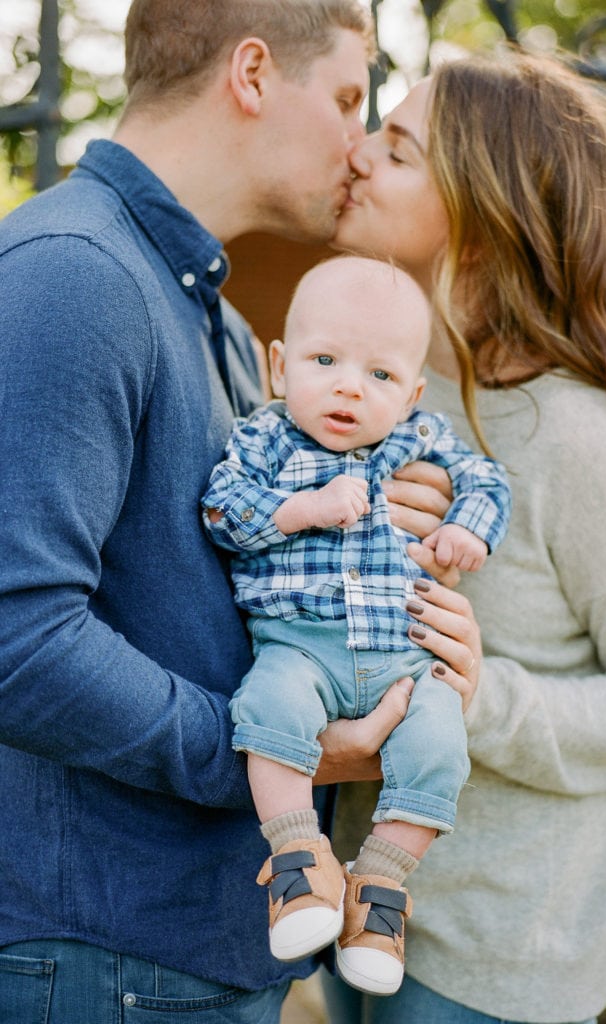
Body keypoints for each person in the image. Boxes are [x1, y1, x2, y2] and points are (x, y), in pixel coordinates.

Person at [0, 3, 422, 1021]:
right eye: (346, 100)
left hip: (188, 951)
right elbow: (18, 638)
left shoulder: (214, 315)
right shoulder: (74, 276)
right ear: (249, 73)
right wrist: (268, 752)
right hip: (103, 954)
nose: (359, 148)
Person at [321, 50, 606, 1024]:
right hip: (350, 927)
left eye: (394, 149)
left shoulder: (587, 447)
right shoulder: (375, 399)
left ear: (479, 216)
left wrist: (484, 698)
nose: (353, 155)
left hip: (489, 975)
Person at [201, 255, 511, 995]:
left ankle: (378, 889)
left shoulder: (420, 440)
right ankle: (299, 862)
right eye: (324, 360)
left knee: (440, 744)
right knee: (266, 712)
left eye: (378, 376)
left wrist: (467, 529)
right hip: (298, 648)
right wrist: (298, 511)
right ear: (279, 366)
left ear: (410, 394)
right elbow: (220, 509)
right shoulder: (266, 440)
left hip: (401, 658)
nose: (347, 385)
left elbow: (486, 478)